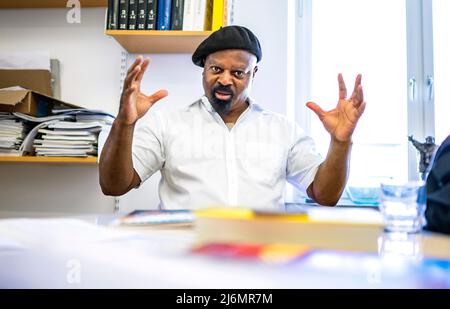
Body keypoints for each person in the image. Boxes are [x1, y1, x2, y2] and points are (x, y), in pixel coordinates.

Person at [99, 25, 366, 210]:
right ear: (203, 70)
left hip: (260, 264)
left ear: (254, 74)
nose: (225, 79)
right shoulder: (167, 124)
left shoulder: (283, 130)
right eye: (216, 69)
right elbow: (113, 185)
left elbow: (325, 195)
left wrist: (341, 142)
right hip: (184, 260)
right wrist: (124, 123)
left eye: (238, 73)